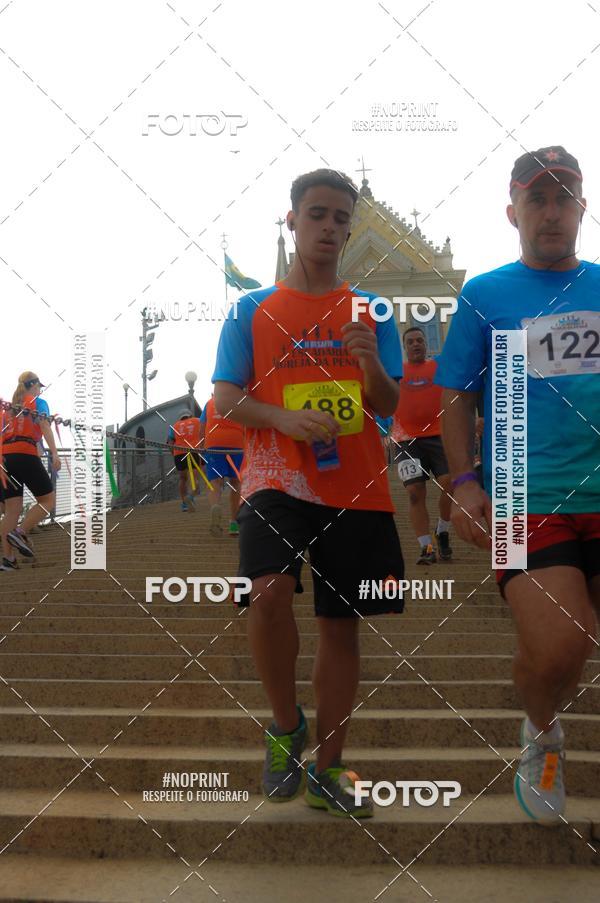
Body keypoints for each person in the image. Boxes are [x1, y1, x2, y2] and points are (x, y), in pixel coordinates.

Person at [212, 168, 405, 818]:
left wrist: (370, 362)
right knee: (267, 593)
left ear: (350, 229)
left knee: (340, 625)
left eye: (340, 218)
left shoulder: (371, 310)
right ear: (292, 220)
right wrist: (284, 419)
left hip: (355, 484)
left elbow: (389, 404)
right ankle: (286, 723)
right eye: (317, 214)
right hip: (275, 476)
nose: (329, 227)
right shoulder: (251, 309)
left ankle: (329, 767)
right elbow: (226, 398)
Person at [436, 146, 600, 825]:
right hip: (522, 499)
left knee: (575, 644)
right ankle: (541, 731)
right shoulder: (486, 295)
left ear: (583, 208)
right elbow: (456, 394)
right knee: (564, 642)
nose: (552, 211)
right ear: (514, 212)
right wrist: (464, 481)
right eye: (538, 198)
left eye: (564, 197)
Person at [391, 327, 452, 564]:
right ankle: (426, 548)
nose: (415, 344)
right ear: (404, 347)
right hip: (406, 440)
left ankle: (442, 530)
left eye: (419, 340)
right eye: (410, 342)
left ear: (425, 344)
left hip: (440, 436)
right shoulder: (396, 372)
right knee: (415, 493)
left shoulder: (440, 367)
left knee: (450, 484)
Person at [0, 372, 61, 570]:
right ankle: (20, 532)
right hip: (25, 453)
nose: (39, 390)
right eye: (38, 387)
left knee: (12, 510)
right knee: (48, 500)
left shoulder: (8, 408)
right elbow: (44, 425)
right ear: (33, 386)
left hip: (5, 459)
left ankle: (8, 560)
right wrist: (54, 453)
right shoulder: (38, 403)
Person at [199, 394, 244, 537]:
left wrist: (201, 445)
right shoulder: (238, 399)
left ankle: (215, 506)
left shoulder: (209, 403)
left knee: (215, 481)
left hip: (214, 443)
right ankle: (234, 523)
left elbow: (202, 427)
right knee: (236, 482)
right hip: (236, 443)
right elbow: (246, 423)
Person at [166, 409, 202, 512]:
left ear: (180, 418)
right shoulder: (197, 421)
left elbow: (170, 443)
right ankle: (190, 497)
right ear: (190, 415)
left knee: (182, 478)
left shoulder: (174, 426)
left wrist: (174, 454)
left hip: (179, 453)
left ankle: (184, 504)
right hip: (193, 451)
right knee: (194, 478)